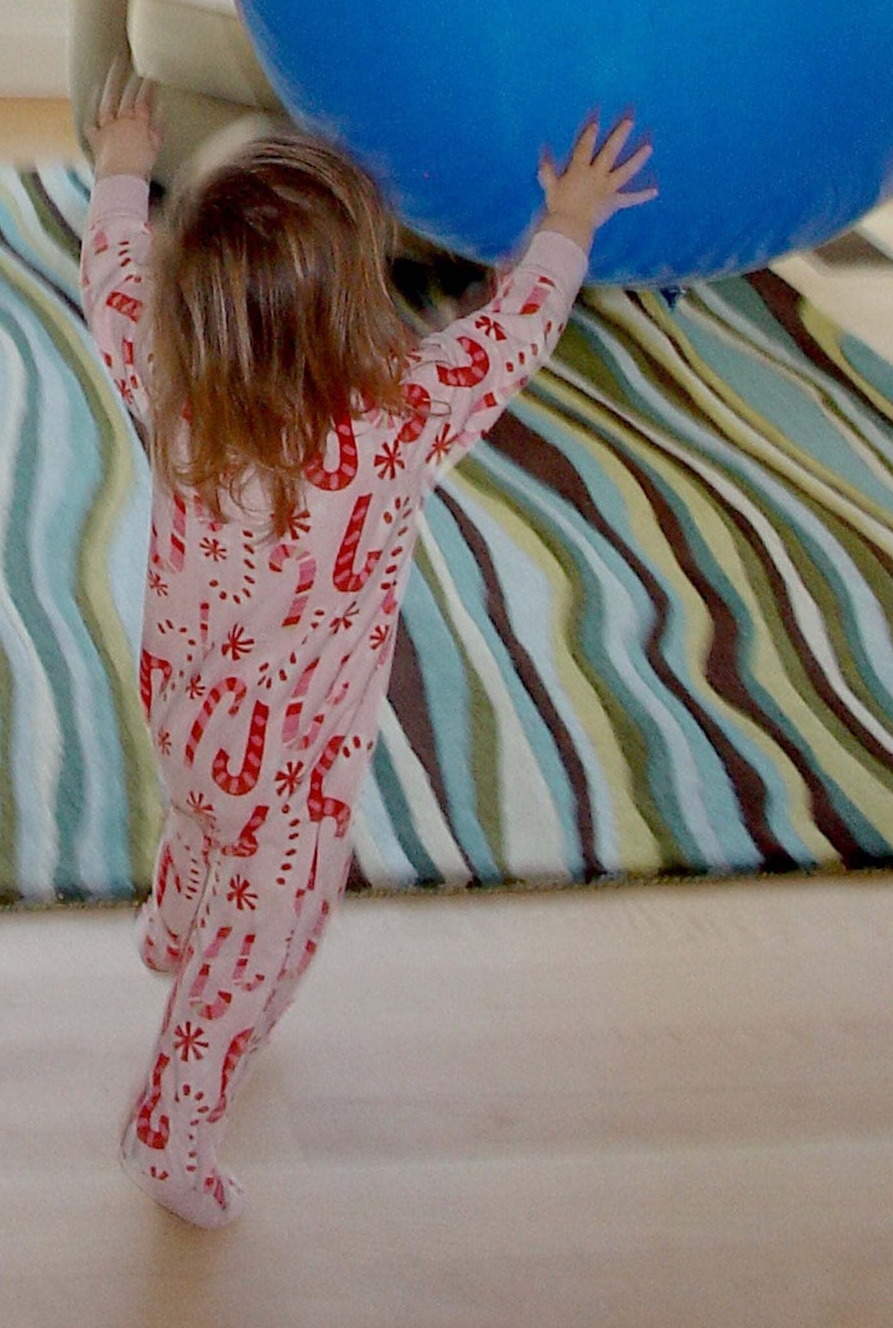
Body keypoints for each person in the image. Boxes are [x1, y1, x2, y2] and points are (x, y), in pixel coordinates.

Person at [79, 72, 655, 1227]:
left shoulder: (169, 375)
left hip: (182, 702)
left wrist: (120, 167)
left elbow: (112, 271)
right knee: (266, 936)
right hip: (292, 760)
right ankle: (169, 1128)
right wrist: (566, 226)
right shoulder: (395, 418)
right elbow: (510, 336)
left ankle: (171, 924)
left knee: (200, 820)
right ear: (353, 301)